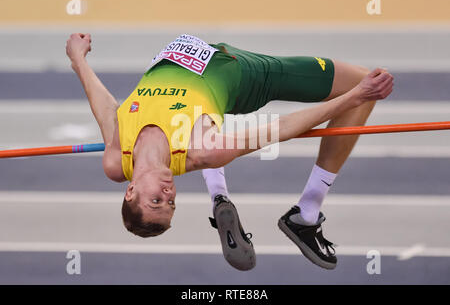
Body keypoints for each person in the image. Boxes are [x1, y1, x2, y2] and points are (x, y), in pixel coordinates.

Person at [66, 33, 394, 271]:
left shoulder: (115, 160)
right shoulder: (202, 150)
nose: (168, 195)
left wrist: (78, 59)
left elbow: (106, 107)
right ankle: (307, 213)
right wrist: (355, 96)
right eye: (171, 204)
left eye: (157, 201)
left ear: (130, 191)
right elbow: (280, 128)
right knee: (361, 82)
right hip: (244, 73)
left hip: (204, 56)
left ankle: (220, 194)